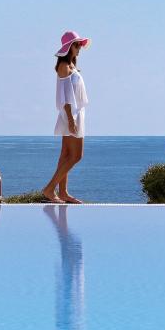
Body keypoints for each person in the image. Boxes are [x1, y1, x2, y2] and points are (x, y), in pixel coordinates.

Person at [42, 31, 90, 204]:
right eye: (77, 45)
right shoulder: (64, 66)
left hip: (75, 113)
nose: (80, 48)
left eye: (80, 44)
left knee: (66, 155)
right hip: (71, 114)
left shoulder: (71, 66)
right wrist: (71, 120)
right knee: (76, 156)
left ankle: (62, 192)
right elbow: (66, 98)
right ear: (70, 46)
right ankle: (49, 189)